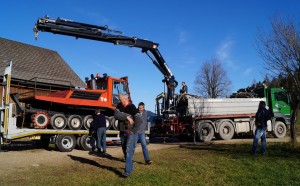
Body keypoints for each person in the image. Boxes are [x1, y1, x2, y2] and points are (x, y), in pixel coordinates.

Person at [114, 94, 142, 177]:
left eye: (121, 100)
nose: (119, 101)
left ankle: (127, 172)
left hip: (130, 133)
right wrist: (127, 117)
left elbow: (139, 119)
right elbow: (116, 115)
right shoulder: (119, 106)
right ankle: (131, 166)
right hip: (122, 132)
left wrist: (133, 130)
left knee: (128, 151)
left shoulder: (132, 107)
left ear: (125, 99)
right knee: (124, 150)